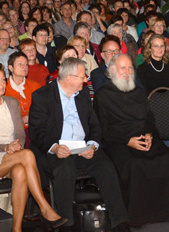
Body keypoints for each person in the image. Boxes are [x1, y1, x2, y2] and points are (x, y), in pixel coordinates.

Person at [28, 57, 131, 232]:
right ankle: (67, 224)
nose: (86, 80)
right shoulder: (42, 96)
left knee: (105, 165)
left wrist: (92, 145)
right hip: (56, 149)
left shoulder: (83, 94)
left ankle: (119, 221)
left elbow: (94, 125)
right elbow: (36, 132)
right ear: (69, 78)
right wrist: (54, 147)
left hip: (81, 147)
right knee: (65, 168)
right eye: (83, 77)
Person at [0, 64, 67, 232]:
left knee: (20, 172)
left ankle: (17, 228)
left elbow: (21, 134)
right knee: (28, 155)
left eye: (2, 79)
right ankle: (44, 207)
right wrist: (7, 146)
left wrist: (17, 145)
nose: (1, 83)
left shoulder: (11, 102)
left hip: (13, 154)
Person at [95, 54, 169, 226]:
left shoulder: (139, 91)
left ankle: (167, 212)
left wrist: (150, 134)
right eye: (123, 68)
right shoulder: (102, 95)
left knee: (166, 160)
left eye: (130, 68)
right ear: (112, 70)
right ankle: (137, 217)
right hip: (118, 141)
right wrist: (127, 140)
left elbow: (150, 119)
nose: (127, 72)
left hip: (144, 137)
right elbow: (103, 130)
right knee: (133, 165)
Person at [136, 33, 169, 99]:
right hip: (152, 105)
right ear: (149, 48)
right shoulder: (142, 69)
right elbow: (143, 95)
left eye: (162, 46)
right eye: (156, 46)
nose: (160, 49)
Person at [3, 52, 41, 130]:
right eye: (20, 64)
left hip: (36, 127)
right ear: (11, 68)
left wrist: (31, 115)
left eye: (26, 64)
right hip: (13, 129)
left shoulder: (35, 86)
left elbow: (43, 108)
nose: (24, 67)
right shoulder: (3, 89)